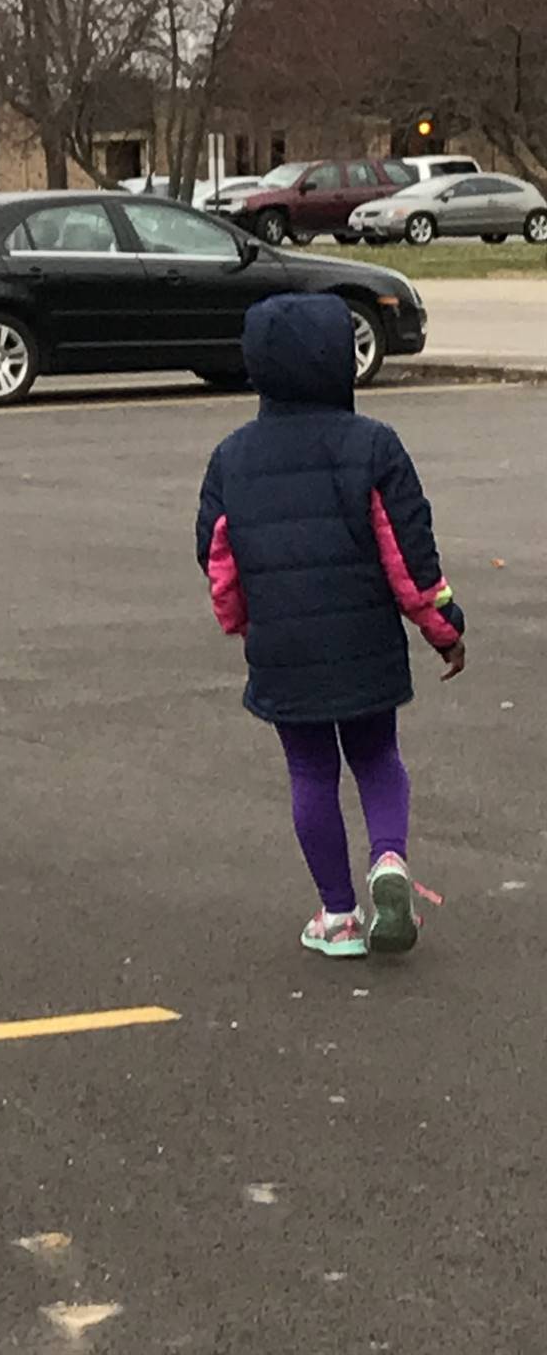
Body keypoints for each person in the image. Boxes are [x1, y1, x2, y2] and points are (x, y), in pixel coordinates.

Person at [196, 294, 465, 959]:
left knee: (310, 772)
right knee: (377, 757)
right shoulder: (373, 446)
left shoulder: (232, 457)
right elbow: (407, 554)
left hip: (284, 643)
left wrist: (241, 622)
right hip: (365, 640)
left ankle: (338, 915)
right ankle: (391, 861)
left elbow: (218, 556)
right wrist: (443, 626)